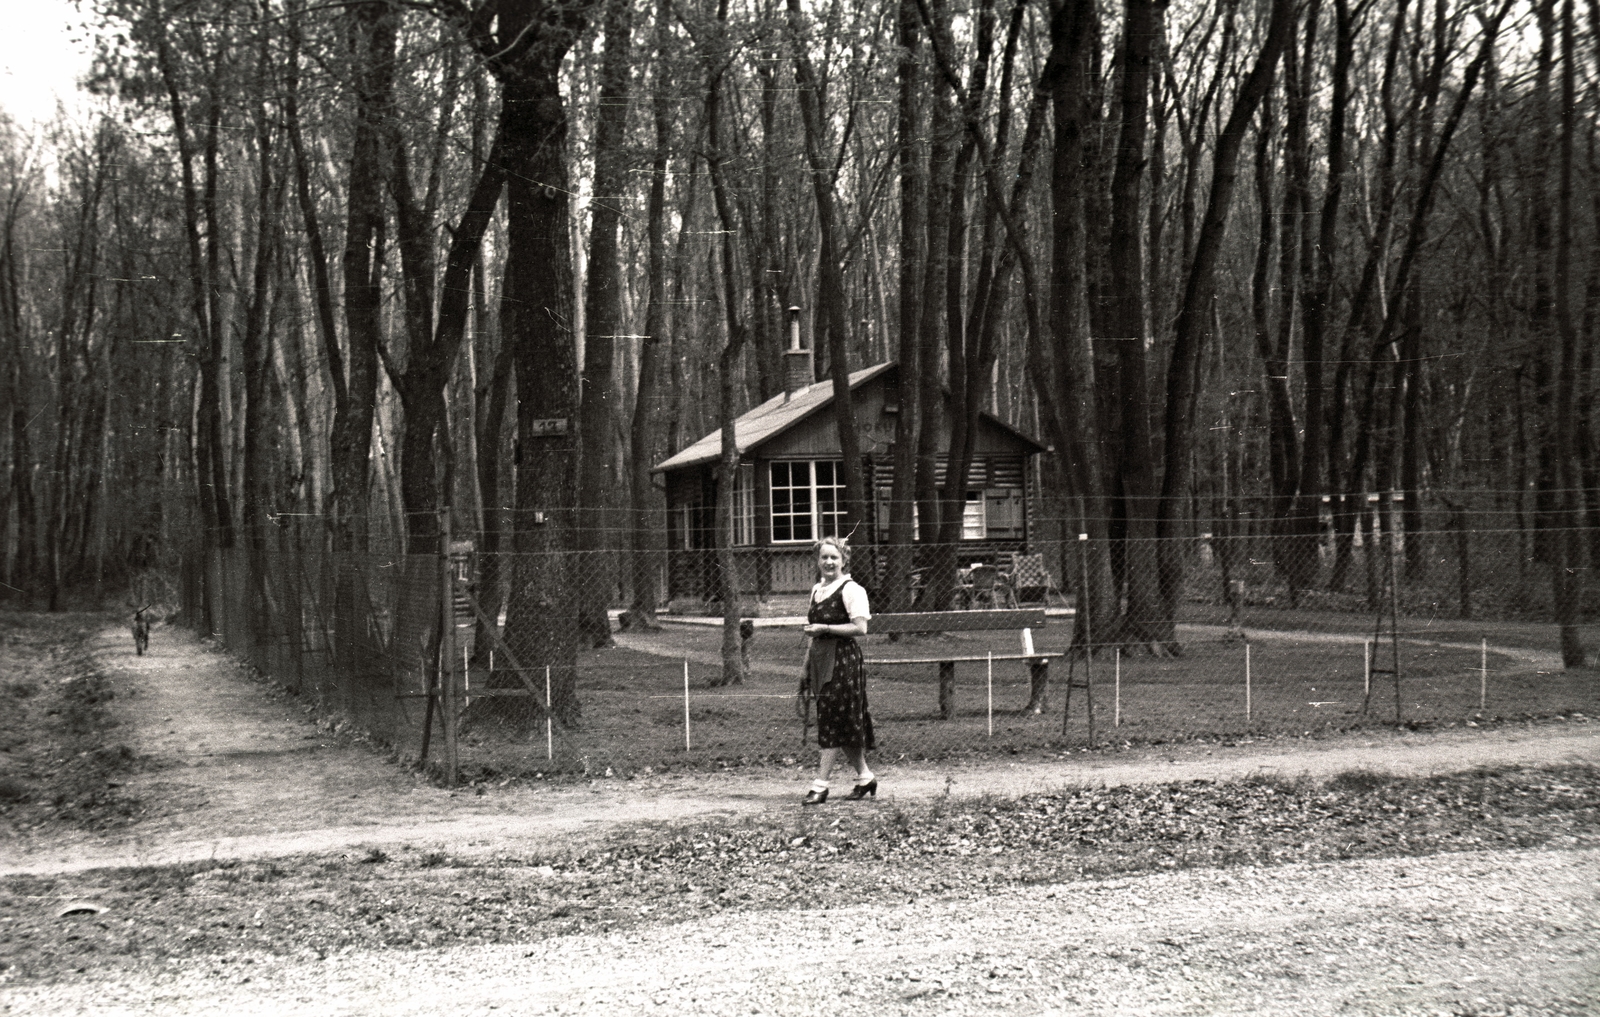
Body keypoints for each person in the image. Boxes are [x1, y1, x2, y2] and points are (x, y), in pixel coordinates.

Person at [799, 536, 876, 805]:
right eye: (824, 557)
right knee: (838, 721)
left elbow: (861, 628)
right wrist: (806, 666)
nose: (829, 562)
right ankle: (865, 777)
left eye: (834, 557)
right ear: (817, 561)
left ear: (844, 560)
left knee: (832, 721)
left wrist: (827, 629)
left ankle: (820, 785)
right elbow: (813, 633)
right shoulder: (817, 590)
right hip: (821, 660)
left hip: (843, 661)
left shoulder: (851, 589)